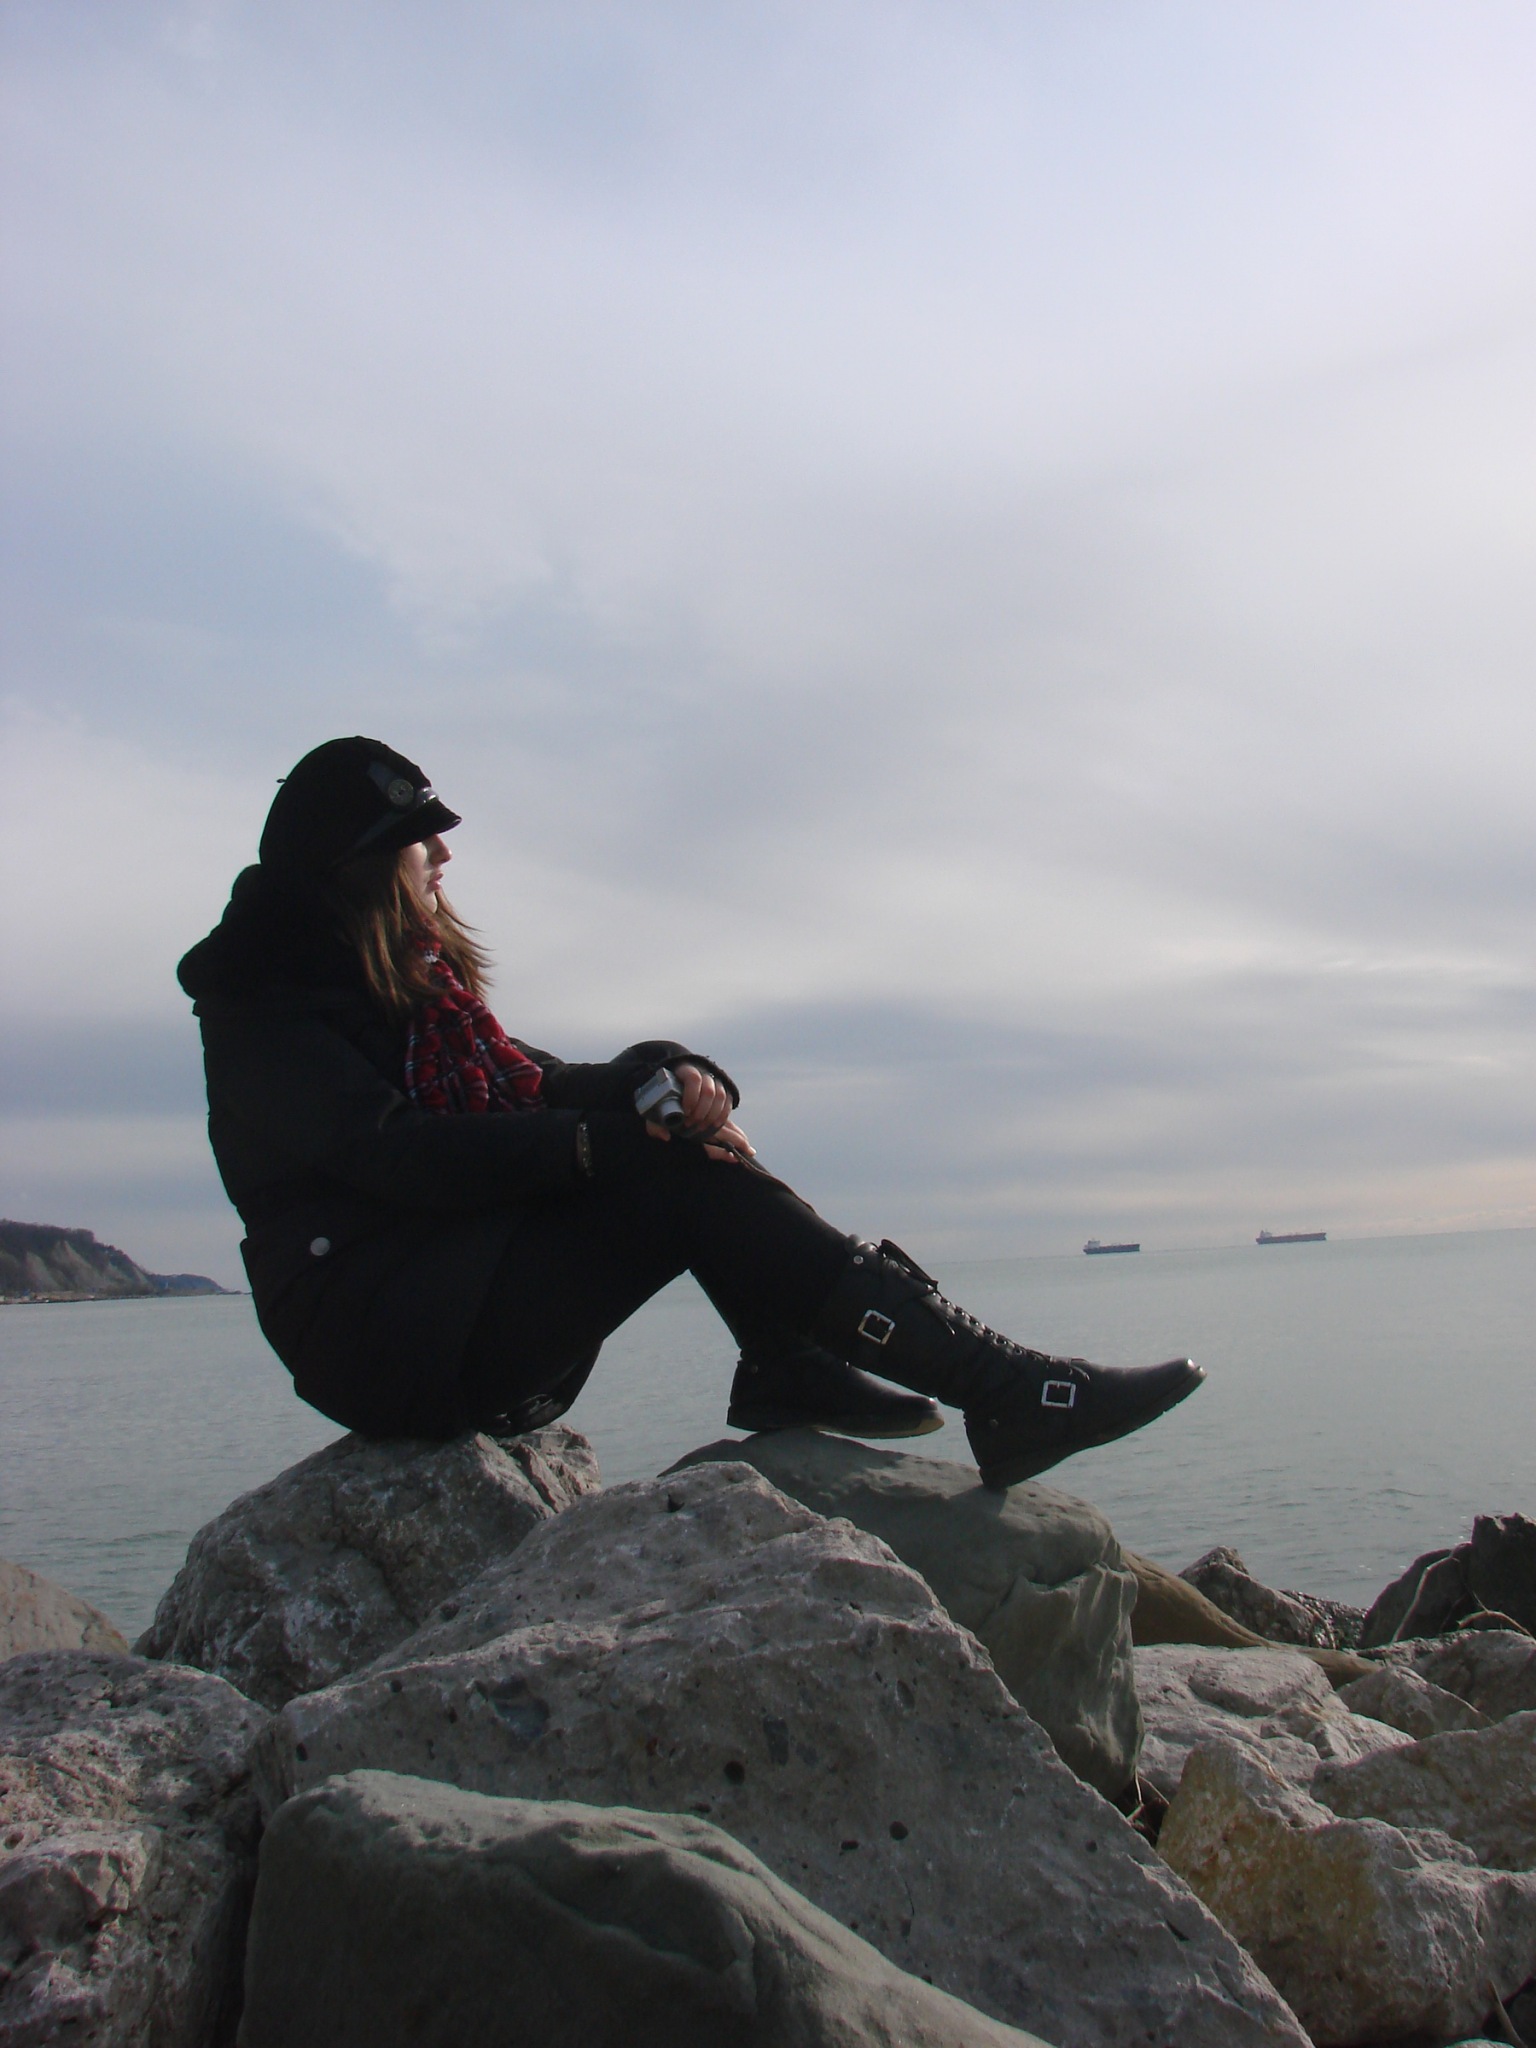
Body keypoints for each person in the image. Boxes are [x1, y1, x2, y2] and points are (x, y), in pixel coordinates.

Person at [178, 736, 1204, 1487]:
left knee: (681, 1138)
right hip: (385, 1342)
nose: (441, 856)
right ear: (357, 863)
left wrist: (663, 1072)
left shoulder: (414, 985)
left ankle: (799, 1364)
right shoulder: (263, 1007)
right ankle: (1003, 1391)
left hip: (452, 1296)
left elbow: (534, 1083)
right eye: (417, 839)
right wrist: (604, 1144)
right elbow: (396, 1153)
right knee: (666, 1169)